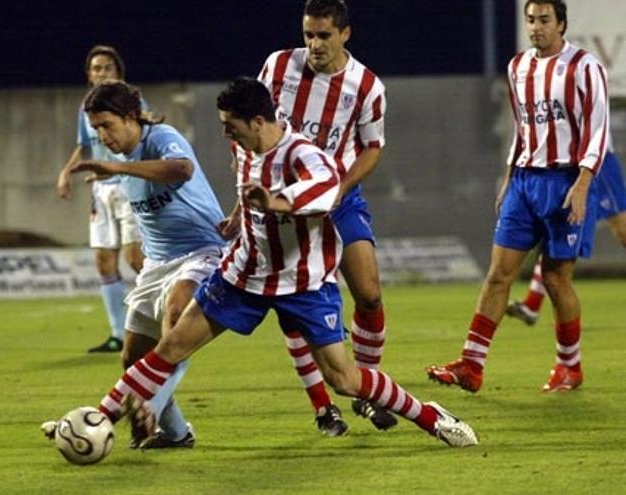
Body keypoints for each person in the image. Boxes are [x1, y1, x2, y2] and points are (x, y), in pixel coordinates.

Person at [45, 78, 478, 449]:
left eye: (230, 127)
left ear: (257, 122)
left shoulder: (305, 156)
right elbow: (249, 190)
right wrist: (239, 215)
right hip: (243, 276)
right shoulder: (246, 149)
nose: (225, 136)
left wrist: (274, 201)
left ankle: (429, 415)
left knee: (345, 379)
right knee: (172, 344)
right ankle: (99, 418)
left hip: (303, 283)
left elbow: (323, 193)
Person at [427, 0, 608, 393]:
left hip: (566, 181)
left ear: (561, 23)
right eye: (531, 20)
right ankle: (471, 366)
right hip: (525, 183)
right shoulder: (518, 67)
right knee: (498, 274)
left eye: (544, 20)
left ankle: (569, 366)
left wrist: (582, 183)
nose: (536, 27)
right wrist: (508, 176)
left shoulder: (584, 66)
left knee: (558, 279)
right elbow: (522, 128)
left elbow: (598, 129)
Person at [254, 0, 396, 431]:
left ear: (345, 34)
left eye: (324, 36)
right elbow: (254, 126)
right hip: (286, 204)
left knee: (369, 292)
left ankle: (366, 391)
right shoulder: (278, 68)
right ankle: (322, 404)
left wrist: (342, 188)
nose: (314, 45)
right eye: (308, 35)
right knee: (295, 305)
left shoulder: (367, 85)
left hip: (339, 200)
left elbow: (372, 148)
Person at [66, 80, 227, 448]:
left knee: (176, 322)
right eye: (96, 129)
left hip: (202, 250)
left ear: (130, 116)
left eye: (107, 124)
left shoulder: (160, 136)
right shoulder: (120, 160)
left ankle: (148, 410)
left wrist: (120, 167)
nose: (102, 135)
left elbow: (181, 170)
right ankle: (176, 434)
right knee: (132, 358)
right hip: (158, 264)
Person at [56, 45, 144, 353]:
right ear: (89, 75)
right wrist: (66, 172)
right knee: (104, 262)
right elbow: (84, 145)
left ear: (118, 73)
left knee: (136, 259)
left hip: (129, 186)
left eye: (107, 67)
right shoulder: (87, 108)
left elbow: (145, 140)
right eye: (96, 68)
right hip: (100, 190)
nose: (101, 73)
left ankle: (160, 321)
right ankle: (118, 334)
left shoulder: (132, 101)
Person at [506, 147, 626, 325]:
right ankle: (532, 303)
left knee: (623, 231)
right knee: (556, 239)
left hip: (597, 163)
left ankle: (532, 305)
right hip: (567, 165)